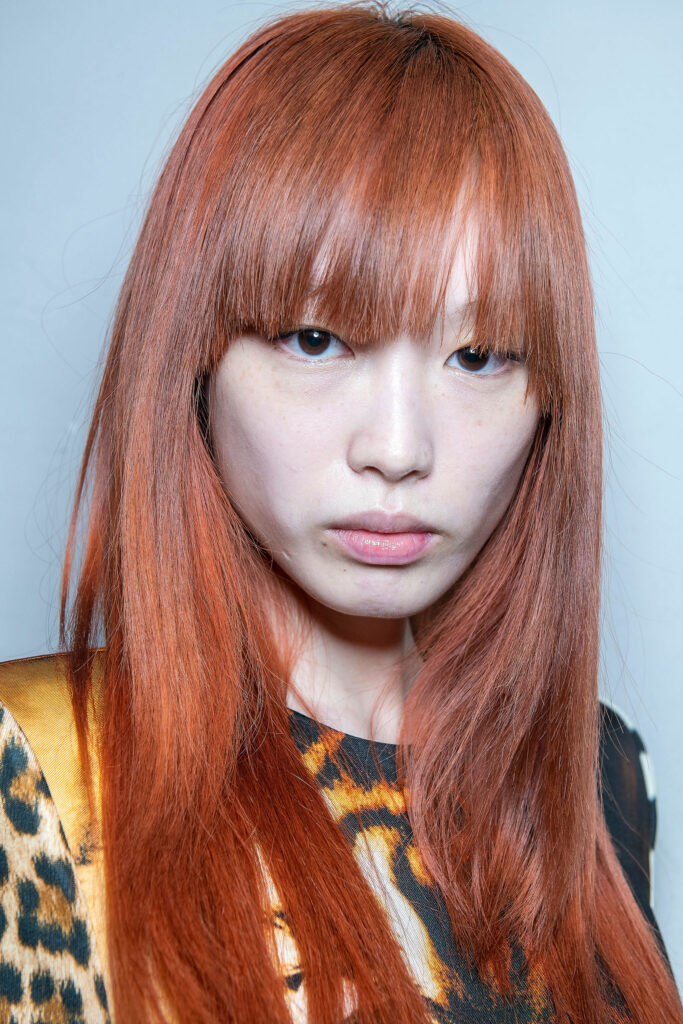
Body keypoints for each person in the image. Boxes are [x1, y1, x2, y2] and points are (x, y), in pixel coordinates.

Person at [0, 3, 680, 1022]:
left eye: (477, 355)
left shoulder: (595, 774)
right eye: (316, 339)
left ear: (549, 396)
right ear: (194, 360)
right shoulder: (39, 770)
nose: (398, 449)